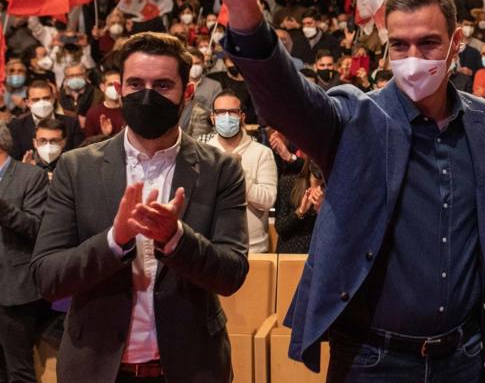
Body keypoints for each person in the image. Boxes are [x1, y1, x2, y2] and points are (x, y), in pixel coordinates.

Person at [210, 0, 485, 381]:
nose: (413, 56)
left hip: (463, 356)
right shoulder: (354, 116)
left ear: (457, 43)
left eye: (428, 42)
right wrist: (243, 13)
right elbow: (288, 104)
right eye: (399, 44)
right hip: (372, 359)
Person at [31, 31, 249, 383]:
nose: (146, 96)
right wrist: (114, 242)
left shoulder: (220, 169)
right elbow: (47, 277)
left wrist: (176, 239)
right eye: (135, 84)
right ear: (120, 89)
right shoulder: (76, 167)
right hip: (97, 368)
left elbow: (232, 274)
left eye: (162, 85)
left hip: (191, 367)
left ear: (187, 93)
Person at [0, 122, 49, 383]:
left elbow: (36, 226)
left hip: (13, 289)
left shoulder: (31, 177)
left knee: (18, 369)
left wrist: (3, 209)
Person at [201, 90, 277, 253]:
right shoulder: (203, 151)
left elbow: (268, 200)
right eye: (221, 112)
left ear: (242, 116)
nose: (226, 117)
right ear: (213, 117)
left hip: (253, 248)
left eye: (233, 112)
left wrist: (237, 174)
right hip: (211, 246)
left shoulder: (262, 153)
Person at [9, 80, 83, 159]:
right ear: (28, 103)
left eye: (46, 98)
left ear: (54, 98)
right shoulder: (16, 126)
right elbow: (14, 158)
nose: (42, 103)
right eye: (36, 100)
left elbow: (78, 156)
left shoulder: (71, 123)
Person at [274, 159, 324, 254]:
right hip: (290, 254)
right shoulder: (288, 183)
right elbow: (281, 228)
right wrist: (300, 211)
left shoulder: (333, 192)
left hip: (318, 255)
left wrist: (322, 210)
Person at [84, 68, 126, 137]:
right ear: (102, 87)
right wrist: (105, 136)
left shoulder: (131, 110)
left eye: (118, 85)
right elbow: (90, 144)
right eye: (110, 85)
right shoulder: (93, 114)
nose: (114, 88)